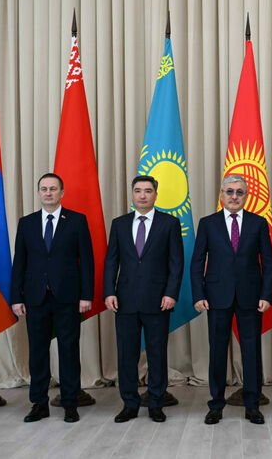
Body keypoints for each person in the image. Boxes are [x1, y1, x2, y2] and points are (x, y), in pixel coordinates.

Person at [190, 174, 272, 425]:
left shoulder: (258, 223)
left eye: (239, 192)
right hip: (216, 297)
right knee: (217, 352)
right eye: (230, 191)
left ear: (245, 196)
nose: (234, 196)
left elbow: (268, 263)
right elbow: (197, 262)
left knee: (251, 352)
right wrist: (198, 294)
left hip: (251, 298)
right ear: (222, 194)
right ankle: (216, 405)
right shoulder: (208, 223)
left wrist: (266, 295)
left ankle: (252, 405)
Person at [10, 173, 94, 423]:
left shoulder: (77, 221)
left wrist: (86, 295)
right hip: (35, 298)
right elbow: (19, 263)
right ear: (38, 193)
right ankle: (39, 404)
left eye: (53, 189)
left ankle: (70, 403)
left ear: (62, 193)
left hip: (68, 297)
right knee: (37, 352)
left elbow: (87, 261)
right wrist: (16, 297)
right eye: (44, 189)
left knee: (69, 350)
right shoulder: (26, 223)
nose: (48, 193)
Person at [104, 175, 183, 423]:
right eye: (138, 190)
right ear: (132, 194)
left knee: (157, 354)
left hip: (158, 300)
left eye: (148, 191)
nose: (142, 195)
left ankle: (156, 403)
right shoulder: (119, 224)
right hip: (125, 300)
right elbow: (111, 261)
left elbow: (176, 263)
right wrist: (109, 292)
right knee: (126, 355)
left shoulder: (169, 223)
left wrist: (171, 293)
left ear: (155, 195)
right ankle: (129, 404)